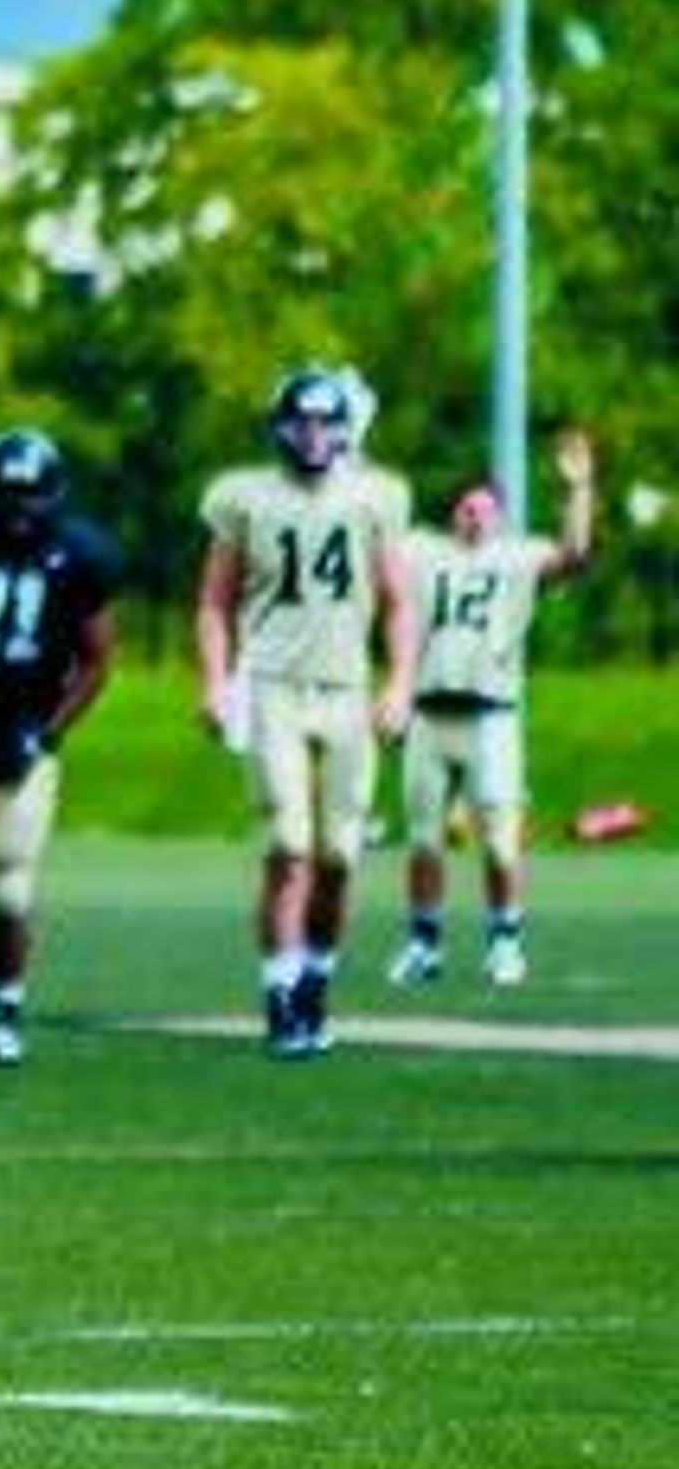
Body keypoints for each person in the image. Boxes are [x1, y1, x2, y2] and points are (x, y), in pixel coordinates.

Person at [193, 367, 415, 1059]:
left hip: (346, 688)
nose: (314, 435)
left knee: (340, 856)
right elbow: (214, 602)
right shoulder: (244, 497)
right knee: (288, 847)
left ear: (345, 429)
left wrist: (400, 681)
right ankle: (280, 991)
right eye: (302, 422)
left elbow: (401, 600)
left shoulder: (376, 497)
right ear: (280, 426)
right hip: (272, 688)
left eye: (326, 423)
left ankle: (316, 979)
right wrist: (216, 680)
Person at [0, 428, 119, 1065]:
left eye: (31, 495)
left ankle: (2, 1005)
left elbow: (95, 664)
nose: (19, 509)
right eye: (7, 494)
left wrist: (49, 731)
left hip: (21, 734)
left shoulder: (81, 556)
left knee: (10, 885)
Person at [389, 431, 595, 989]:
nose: (474, 518)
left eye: (484, 509)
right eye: (466, 508)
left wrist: (579, 490)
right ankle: (424, 943)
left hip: (491, 717)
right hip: (429, 716)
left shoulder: (518, 557)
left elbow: (574, 555)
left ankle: (505, 942)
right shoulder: (423, 551)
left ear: (501, 518)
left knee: (502, 842)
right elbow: (371, 541)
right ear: (453, 515)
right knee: (425, 839)